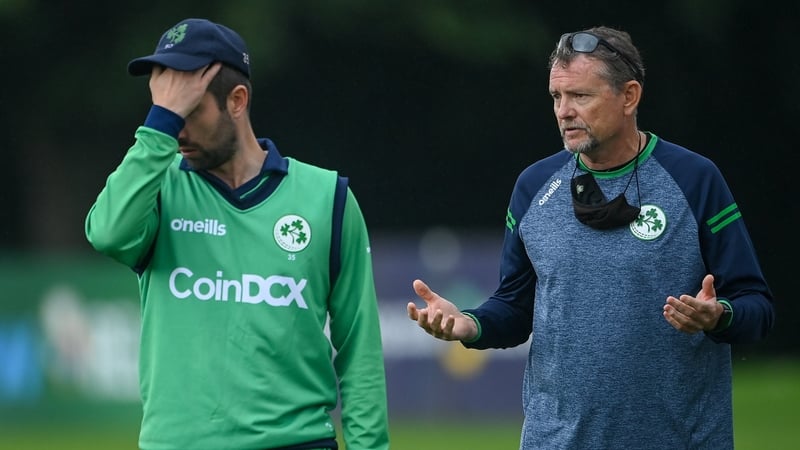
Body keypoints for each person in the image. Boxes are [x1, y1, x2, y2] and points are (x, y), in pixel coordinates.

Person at [407, 26, 774, 450]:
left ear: (629, 96)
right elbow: (514, 307)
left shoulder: (695, 180)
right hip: (555, 441)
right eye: (557, 97)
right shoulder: (533, 186)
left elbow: (756, 306)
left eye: (580, 96)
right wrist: (469, 324)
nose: (564, 111)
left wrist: (720, 315)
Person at [85, 18, 389, 450]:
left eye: (188, 111)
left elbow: (359, 350)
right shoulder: (157, 188)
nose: (178, 131)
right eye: (166, 113)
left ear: (237, 100)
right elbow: (107, 234)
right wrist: (159, 125)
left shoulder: (327, 197)